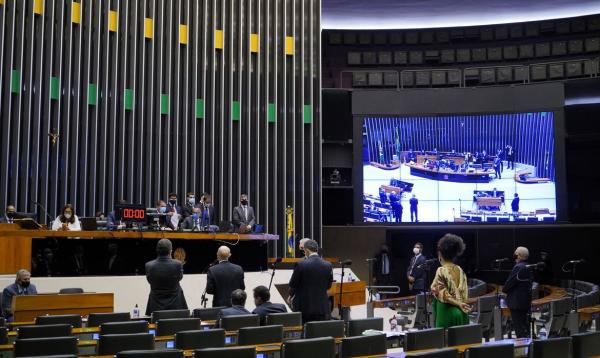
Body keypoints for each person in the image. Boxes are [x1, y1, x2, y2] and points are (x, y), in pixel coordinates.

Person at [430, 234, 471, 328]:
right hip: (462, 312)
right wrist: (460, 303)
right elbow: (464, 294)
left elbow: (443, 294)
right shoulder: (460, 270)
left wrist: (458, 303)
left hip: (446, 313)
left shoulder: (441, 270)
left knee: (445, 341)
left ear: (440, 255)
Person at [288, 239, 333, 323]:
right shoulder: (328, 265)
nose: (304, 253)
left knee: (305, 333)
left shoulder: (301, 264)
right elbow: (328, 286)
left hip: (304, 307)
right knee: (319, 332)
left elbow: (293, 285)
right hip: (322, 307)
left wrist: (290, 296)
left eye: (304, 251)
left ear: (307, 250)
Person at [144, 239, 187, 315]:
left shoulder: (148, 266)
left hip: (155, 306)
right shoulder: (178, 264)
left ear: (157, 250)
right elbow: (180, 278)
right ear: (170, 251)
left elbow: (149, 280)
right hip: (175, 306)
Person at [503, 247, 532, 338]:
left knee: (519, 328)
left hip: (516, 302)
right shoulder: (528, 266)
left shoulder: (518, 267)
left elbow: (510, 282)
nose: (514, 254)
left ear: (519, 255)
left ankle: (522, 350)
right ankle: (528, 348)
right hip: (525, 300)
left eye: (515, 252)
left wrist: (504, 290)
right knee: (524, 327)